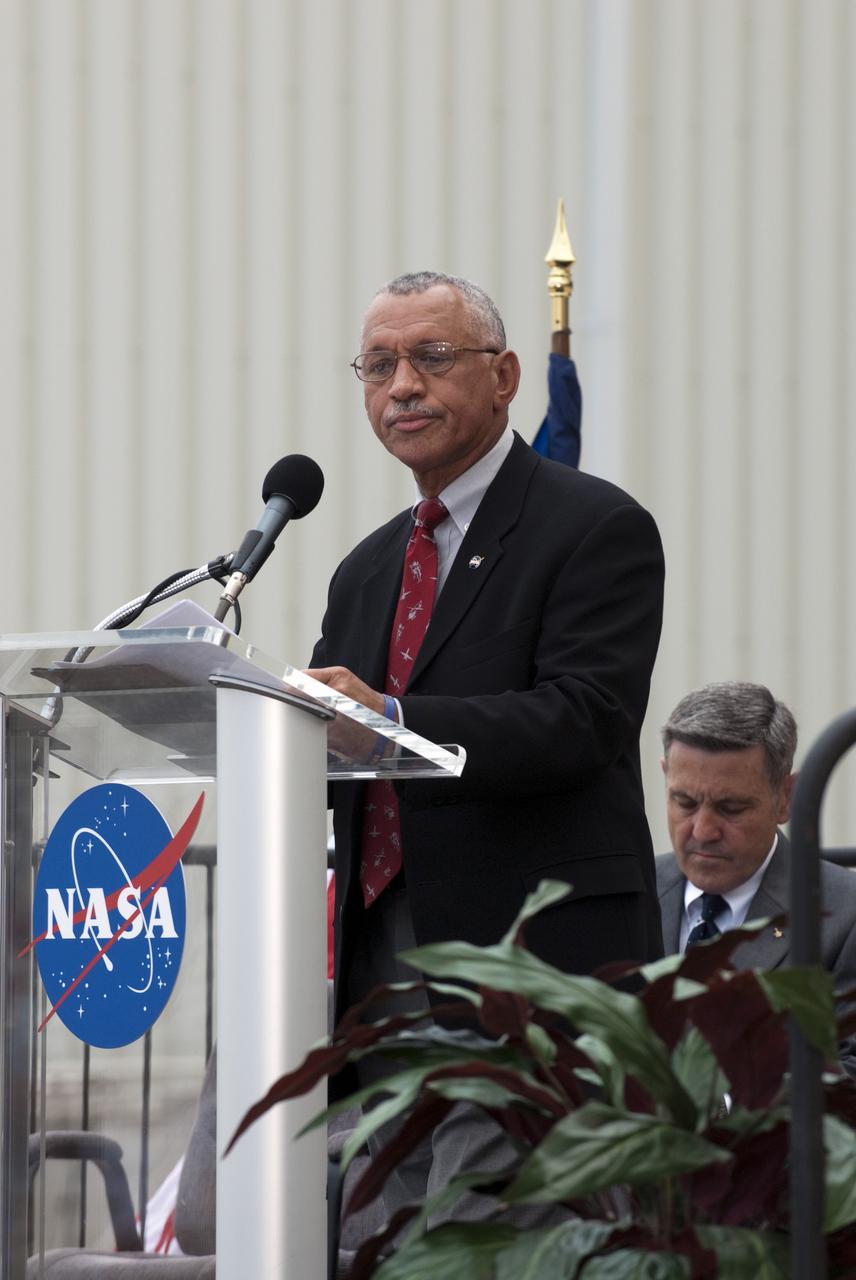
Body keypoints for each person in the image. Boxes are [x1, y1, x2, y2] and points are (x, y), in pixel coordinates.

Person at [307, 270, 666, 1223]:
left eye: (431, 358)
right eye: (377, 366)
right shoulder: (366, 569)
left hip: (530, 972)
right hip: (382, 973)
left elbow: (585, 716)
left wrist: (394, 720)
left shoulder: (594, 526)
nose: (402, 387)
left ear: (504, 376)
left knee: (492, 1240)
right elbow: (331, 743)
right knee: (390, 1246)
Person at [656, 680, 856, 1076]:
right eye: (685, 802)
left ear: (786, 797)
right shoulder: (631, 896)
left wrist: (728, 1099)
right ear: (665, 776)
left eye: (730, 808)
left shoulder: (845, 917)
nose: (703, 831)